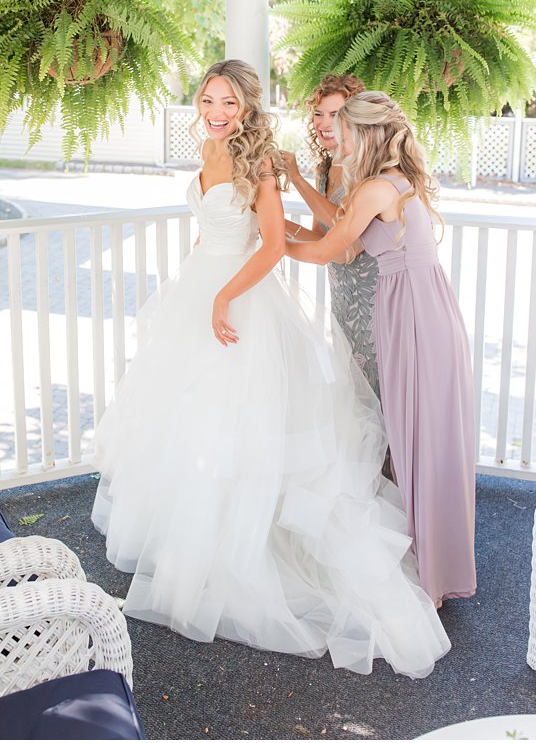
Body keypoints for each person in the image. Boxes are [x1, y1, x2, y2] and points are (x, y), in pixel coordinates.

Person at [91, 60, 449, 678]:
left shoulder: (259, 163)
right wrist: (208, 263)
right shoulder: (207, 150)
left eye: (229, 102)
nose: (217, 111)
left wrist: (226, 294)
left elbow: (277, 246)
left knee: (239, 427)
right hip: (200, 291)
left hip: (239, 299)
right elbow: (215, 224)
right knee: (189, 427)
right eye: (209, 99)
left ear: (248, 107)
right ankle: (186, 553)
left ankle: (238, 554)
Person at [285, 91, 477, 607]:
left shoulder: (374, 187)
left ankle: (429, 575)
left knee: (414, 433)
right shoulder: (396, 179)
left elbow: (329, 249)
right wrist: (282, 230)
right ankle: (434, 565)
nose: (335, 139)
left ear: (363, 133)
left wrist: (267, 240)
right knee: (423, 435)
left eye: (343, 130)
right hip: (419, 305)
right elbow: (343, 245)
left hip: (411, 311)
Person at [279, 74, 381, 401]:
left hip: (373, 302)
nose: (324, 123)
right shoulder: (324, 169)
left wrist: (295, 178)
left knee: (377, 395)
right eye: (319, 113)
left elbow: (343, 235)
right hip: (342, 302)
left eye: (335, 115)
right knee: (353, 394)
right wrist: (271, 222)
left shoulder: (365, 168)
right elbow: (318, 236)